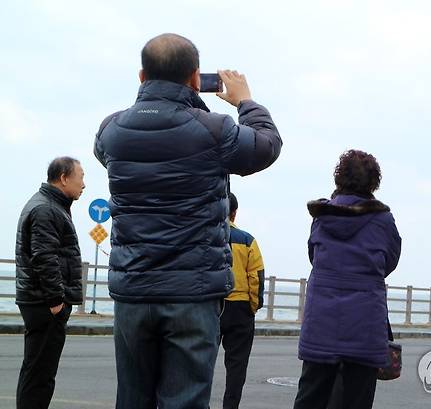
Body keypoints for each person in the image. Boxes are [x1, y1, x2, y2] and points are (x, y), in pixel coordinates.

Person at [94, 33, 282, 409]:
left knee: (132, 398)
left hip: (133, 290)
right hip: (192, 294)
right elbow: (266, 145)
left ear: (141, 76)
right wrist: (245, 101)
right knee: (185, 400)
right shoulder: (215, 130)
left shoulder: (111, 131)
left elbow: (107, 156)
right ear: (196, 78)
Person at [293, 149, 402, 409]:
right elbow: (390, 261)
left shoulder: (322, 217)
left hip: (322, 323)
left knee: (310, 397)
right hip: (365, 325)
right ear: (374, 182)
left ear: (339, 178)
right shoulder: (383, 220)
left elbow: (314, 256)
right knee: (357, 399)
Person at [14, 157, 85, 409]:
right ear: (64, 178)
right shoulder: (47, 209)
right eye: (81, 177)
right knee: (40, 375)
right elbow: (44, 257)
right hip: (44, 303)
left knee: (37, 371)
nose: (84, 184)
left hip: (38, 300)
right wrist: (56, 301)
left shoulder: (50, 205)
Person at [218, 192, 265, 408]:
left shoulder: (206, 236)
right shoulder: (248, 241)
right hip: (240, 309)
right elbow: (256, 277)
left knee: (200, 361)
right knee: (236, 366)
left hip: (212, 305)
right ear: (234, 213)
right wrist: (252, 307)